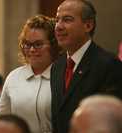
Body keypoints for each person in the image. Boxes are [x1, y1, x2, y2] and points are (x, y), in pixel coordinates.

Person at [51, 0, 122, 133]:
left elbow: (111, 121)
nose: (58, 27)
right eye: (57, 20)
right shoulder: (57, 66)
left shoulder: (109, 65)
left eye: (67, 20)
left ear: (88, 25)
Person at [0, 15, 62, 133]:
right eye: (27, 44)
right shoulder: (14, 77)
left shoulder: (63, 76)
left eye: (38, 44)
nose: (31, 50)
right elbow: (1, 121)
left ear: (53, 45)